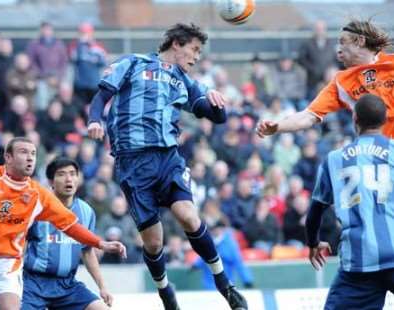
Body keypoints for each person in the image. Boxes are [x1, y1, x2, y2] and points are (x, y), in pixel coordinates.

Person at [87, 23, 247, 310]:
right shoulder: (133, 63)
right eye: (194, 49)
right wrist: (95, 119)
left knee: (188, 216)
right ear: (177, 43)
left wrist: (218, 103)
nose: (197, 56)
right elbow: (101, 97)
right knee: (153, 242)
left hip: (167, 158)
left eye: (200, 52)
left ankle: (225, 284)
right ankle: (164, 290)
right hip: (133, 161)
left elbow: (216, 117)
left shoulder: (184, 80)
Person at [0, 137, 126, 310]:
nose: (30, 157)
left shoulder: (38, 195)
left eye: (33, 153)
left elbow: (70, 226)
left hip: (7, 264)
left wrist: (100, 243)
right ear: (8, 157)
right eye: (23, 152)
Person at [306, 94, 394, 309]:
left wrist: (313, 242)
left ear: (354, 118)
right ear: (385, 120)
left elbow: (315, 210)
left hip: (360, 261)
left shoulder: (335, 159)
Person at [257, 18, 393, 139]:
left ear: (360, 41)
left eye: (343, 43)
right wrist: (278, 126)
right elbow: (308, 116)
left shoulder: (391, 63)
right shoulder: (342, 82)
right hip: (377, 152)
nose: (338, 51)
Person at [22, 157, 113, 310]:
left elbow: (87, 252)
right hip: (33, 285)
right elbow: (20, 245)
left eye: (72, 174)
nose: (68, 179)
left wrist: (103, 287)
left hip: (67, 286)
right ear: (51, 181)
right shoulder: (36, 208)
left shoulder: (86, 212)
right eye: (62, 174)